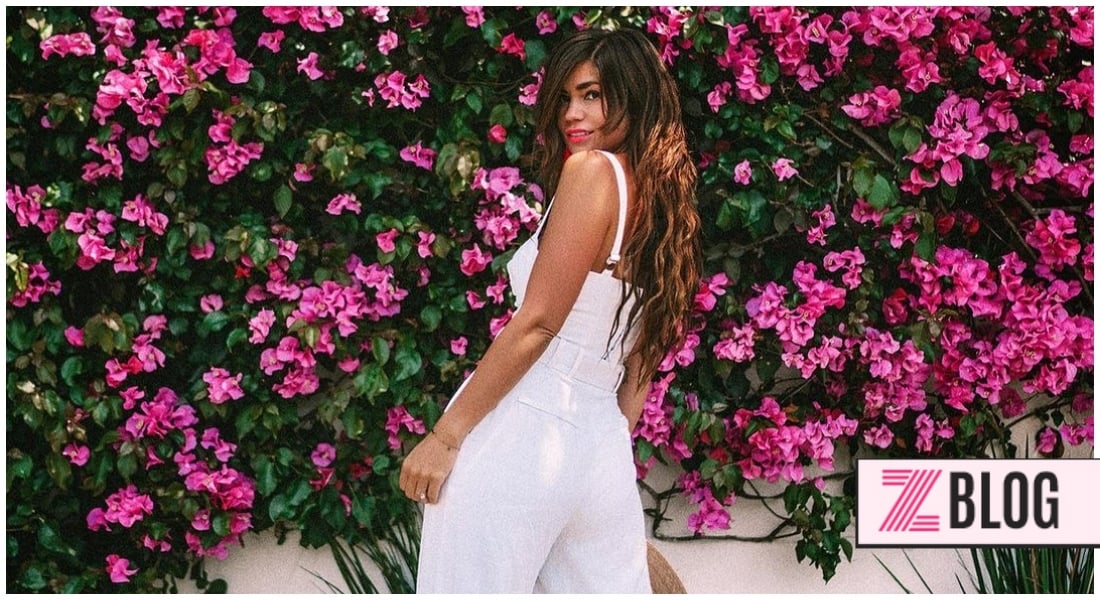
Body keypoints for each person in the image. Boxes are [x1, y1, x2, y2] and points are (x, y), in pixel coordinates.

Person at [399, 27, 701, 594]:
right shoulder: (663, 207)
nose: (571, 114)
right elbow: (640, 362)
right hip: (601, 446)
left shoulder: (592, 173)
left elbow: (538, 323)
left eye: (592, 95)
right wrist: (599, 450)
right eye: (564, 98)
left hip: (527, 427)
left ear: (635, 96)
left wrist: (445, 436)